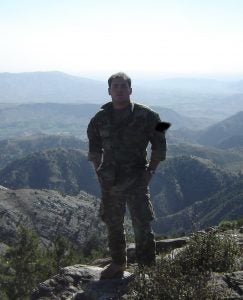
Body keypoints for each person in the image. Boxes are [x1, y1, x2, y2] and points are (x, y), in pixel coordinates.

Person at [87, 72, 168, 280]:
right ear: (109, 91)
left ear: (130, 90)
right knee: (113, 223)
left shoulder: (149, 116)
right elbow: (94, 150)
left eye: (123, 86)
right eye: (116, 86)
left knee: (142, 223)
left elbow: (159, 146)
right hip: (110, 181)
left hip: (137, 179)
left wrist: (150, 171)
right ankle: (117, 263)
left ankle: (147, 269)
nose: (120, 89)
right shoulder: (99, 119)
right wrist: (98, 172)